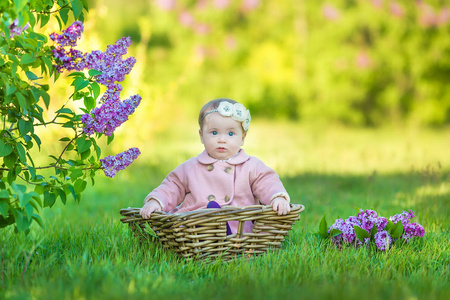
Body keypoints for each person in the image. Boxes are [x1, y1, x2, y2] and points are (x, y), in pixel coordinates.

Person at [139, 98, 291, 234]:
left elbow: (267, 182)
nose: (222, 139)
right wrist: (156, 201)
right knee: (189, 219)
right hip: (194, 224)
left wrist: (276, 197)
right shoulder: (191, 167)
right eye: (214, 132)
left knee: (225, 219)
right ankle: (197, 233)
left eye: (231, 134)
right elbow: (172, 186)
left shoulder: (251, 166)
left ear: (243, 138)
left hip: (236, 228)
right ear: (201, 136)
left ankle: (223, 233)